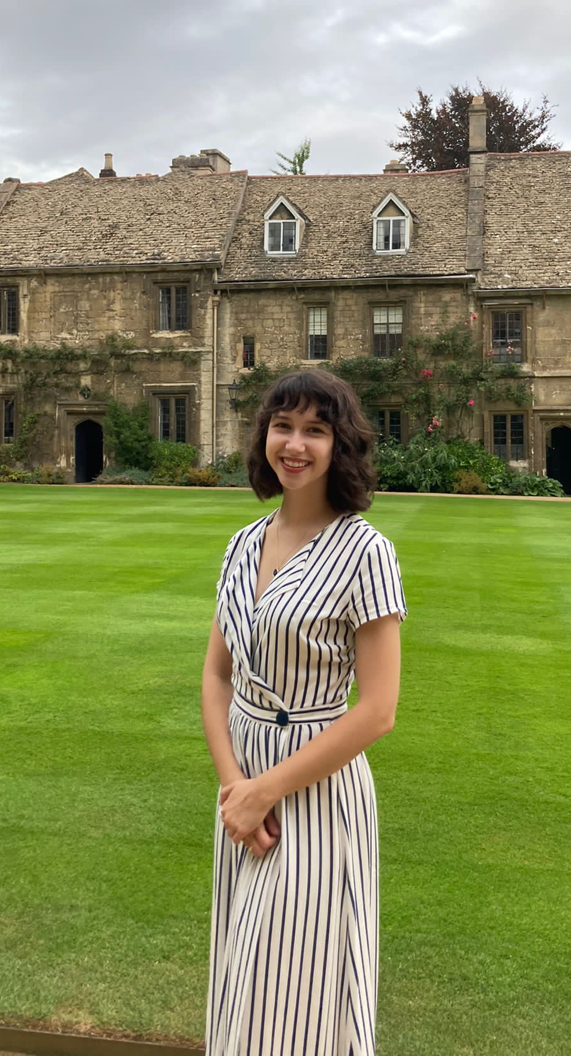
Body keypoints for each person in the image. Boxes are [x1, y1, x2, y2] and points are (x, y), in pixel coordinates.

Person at [201, 369, 406, 1055]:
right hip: (243, 793)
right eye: (283, 426)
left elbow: (378, 710)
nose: (295, 444)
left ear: (339, 445)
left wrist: (267, 791)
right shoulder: (241, 544)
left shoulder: (364, 552)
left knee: (301, 992)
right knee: (243, 982)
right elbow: (216, 674)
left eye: (316, 430)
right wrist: (236, 788)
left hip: (314, 791)